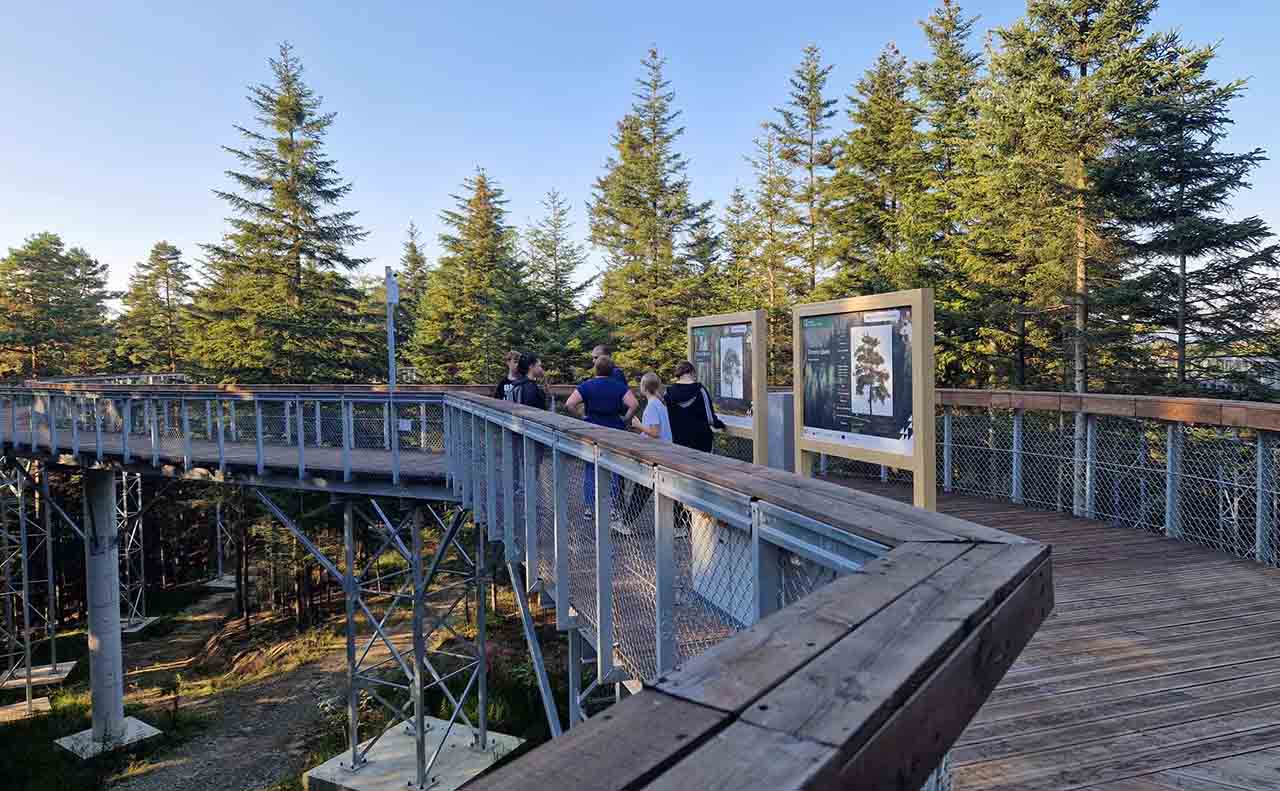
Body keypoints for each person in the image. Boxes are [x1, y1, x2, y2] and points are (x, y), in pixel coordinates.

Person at [563, 355, 638, 530]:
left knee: (591, 467)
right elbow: (633, 404)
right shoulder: (619, 386)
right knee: (613, 468)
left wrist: (582, 418)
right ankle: (612, 507)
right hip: (614, 431)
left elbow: (569, 404)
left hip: (592, 431)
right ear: (612, 371)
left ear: (595, 369)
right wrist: (625, 419)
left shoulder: (587, 386)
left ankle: (590, 506)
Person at [666, 360, 725, 453]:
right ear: (692, 372)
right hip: (702, 443)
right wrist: (720, 424)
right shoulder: (700, 390)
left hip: (679, 442)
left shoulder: (669, 392)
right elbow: (710, 419)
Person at [630, 371, 672, 442]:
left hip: (659, 449)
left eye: (641, 384)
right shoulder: (659, 403)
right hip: (665, 447)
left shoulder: (652, 406)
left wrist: (638, 425)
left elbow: (655, 433)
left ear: (644, 388)